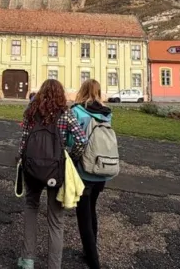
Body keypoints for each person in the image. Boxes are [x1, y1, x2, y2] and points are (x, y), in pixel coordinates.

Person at [16, 79, 87, 269]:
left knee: (31, 208)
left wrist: (21, 159)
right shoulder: (66, 113)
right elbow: (81, 139)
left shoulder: (31, 112)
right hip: (56, 169)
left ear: (40, 93)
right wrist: (70, 156)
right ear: (60, 95)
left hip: (32, 167)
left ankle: (27, 260)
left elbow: (23, 141)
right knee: (56, 220)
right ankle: (54, 266)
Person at [71, 79, 115, 269]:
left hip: (84, 170)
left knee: (83, 215)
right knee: (92, 210)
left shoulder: (77, 111)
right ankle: (90, 249)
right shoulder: (106, 113)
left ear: (82, 90)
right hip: (102, 168)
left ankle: (92, 259)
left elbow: (73, 140)